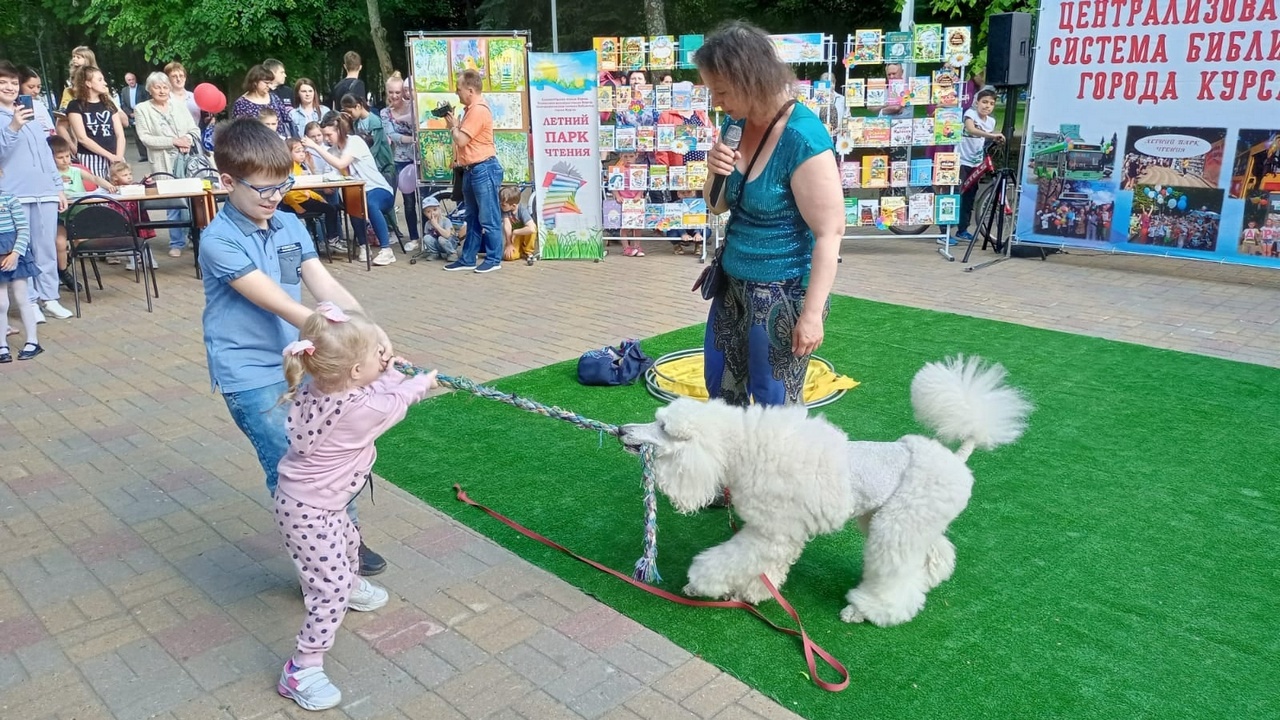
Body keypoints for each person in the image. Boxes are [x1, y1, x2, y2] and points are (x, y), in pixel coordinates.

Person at [199, 117, 393, 577]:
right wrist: (355, 346)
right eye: (261, 189)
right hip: (249, 374)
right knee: (295, 471)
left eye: (281, 185)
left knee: (326, 454)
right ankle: (323, 567)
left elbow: (323, 284)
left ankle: (345, 540)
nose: (273, 198)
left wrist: (372, 328)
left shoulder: (288, 222)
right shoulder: (218, 240)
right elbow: (289, 307)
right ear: (227, 182)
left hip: (294, 365)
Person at [272, 305, 437, 711]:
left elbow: (373, 389)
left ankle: (350, 584)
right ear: (355, 372)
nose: (383, 355)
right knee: (328, 590)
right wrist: (418, 382)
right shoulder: (363, 410)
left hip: (312, 503)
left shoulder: (321, 386)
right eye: (375, 353)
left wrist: (390, 370)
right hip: (310, 512)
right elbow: (395, 403)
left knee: (348, 541)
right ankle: (302, 667)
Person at [695, 21, 844, 407]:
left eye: (723, 91)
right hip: (733, 284)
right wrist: (714, 169)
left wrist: (811, 316)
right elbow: (718, 205)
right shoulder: (735, 124)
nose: (718, 102)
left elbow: (830, 233)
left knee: (774, 406)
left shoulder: (802, 139)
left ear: (750, 80)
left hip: (784, 291)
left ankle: (774, 471)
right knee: (720, 392)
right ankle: (730, 470)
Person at [0, 60, 73, 322]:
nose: (9, 87)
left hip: (44, 192)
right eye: (2, 83)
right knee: (23, 249)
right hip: (14, 194)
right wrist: (13, 127)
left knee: (46, 247)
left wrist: (57, 187)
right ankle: (28, 301)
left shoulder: (29, 111)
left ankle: (49, 297)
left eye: (12, 82)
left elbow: (46, 153)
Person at [303, 112, 397, 266]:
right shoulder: (333, 150)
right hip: (357, 193)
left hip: (379, 189)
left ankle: (386, 250)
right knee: (354, 203)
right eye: (324, 135)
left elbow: (340, 164)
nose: (326, 139)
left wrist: (314, 146)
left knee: (368, 202)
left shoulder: (355, 142)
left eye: (328, 135)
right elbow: (330, 173)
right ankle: (363, 245)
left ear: (339, 130)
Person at [441, 69, 503, 273]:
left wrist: (452, 127)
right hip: (471, 169)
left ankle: (494, 259)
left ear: (470, 90)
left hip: (483, 168)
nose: (457, 94)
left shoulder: (478, 110)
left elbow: (461, 140)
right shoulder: (470, 109)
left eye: (458, 90)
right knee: (472, 217)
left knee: (489, 216)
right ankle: (468, 258)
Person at [134, 71, 200, 257]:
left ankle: (195, 239)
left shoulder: (179, 105)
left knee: (194, 200)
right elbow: (145, 138)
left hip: (187, 160)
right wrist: (173, 141)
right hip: (163, 161)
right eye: (157, 87)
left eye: (165, 87)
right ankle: (176, 242)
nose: (162, 90)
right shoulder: (142, 109)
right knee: (173, 203)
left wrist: (187, 139)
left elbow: (194, 128)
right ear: (149, 89)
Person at [0, 179, 44, 361]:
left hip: (16, 254)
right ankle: (2, 344)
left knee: (22, 298)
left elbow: (23, 229)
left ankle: (33, 341)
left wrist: (15, 254)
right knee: (1, 304)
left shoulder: (9, 200)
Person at [955, 88, 1004, 241]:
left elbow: (985, 140)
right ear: (977, 103)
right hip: (961, 160)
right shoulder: (970, 114)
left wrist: (996, 140)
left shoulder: (991, 121)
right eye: (984, 102)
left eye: (991, 103)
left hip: (975, 162)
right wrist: (991, 135)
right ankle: (945, 228)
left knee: (970, 196)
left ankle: (962, 229)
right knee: (957, 193)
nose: (987, 106)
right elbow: (972, 129)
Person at [66, 65, 125, 180]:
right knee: (98, 189)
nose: (105, 83)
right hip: (91, 157)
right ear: (88, 83)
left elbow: (120, 134)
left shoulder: (108, 104)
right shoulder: (75, 105)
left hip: (116, 154)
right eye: (99, 80)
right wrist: (109, 156)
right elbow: (82, 138)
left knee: (121, 188)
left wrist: (118, 156)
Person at [381, 74, 419, 248]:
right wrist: (411, 139)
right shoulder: (385, 113)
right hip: (401, 160)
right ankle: (413, 237)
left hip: (420, 159)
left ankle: (428, 234)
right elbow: (392, 135)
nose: (395, 96)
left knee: (425, 198)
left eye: (398, 92)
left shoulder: (414, 106)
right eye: (391, 92)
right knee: (408, 201)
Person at [282, 138, 340, 248]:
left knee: (334, 207)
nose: (302, 154)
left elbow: (307, 189)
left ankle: (331, 238)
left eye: (303, 151)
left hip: (304, 198)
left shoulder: (299, 166)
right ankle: (332, 238)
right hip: (299, 202)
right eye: (297, 151)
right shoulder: (290, 168)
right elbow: (287, 191)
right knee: (331, 209)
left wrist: (318, 197)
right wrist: (296, 206)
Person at [232, 65, 294, 138]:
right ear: (255, 82)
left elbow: (287, 120)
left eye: (270, 83)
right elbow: (239, 130)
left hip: (278, 143)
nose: (269, 86)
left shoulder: (274, 98)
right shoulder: (241, 104)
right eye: (266, 83)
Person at [119, 72, 150, 162]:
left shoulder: (143, 89)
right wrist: (130, 113)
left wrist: (139, 111)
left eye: (133, 79)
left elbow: (147, 100)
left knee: (146, 134)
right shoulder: (124, 91)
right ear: (126, 81)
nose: (131, 81)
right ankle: (143, 155)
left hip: (143, 114)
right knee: (137, 136)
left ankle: (149, 153)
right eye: (129, 80)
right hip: (131, 116)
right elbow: (123, 104)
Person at [500, 186, 536, 261]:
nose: (501, 205)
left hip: (523, 233)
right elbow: (507, 226)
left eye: (503, 204)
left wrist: (515, 232)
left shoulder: (522, 210)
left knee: (533, 229)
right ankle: (520, 251)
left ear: (513, 205)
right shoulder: (505, 210)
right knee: (509, 257)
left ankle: (528, 252)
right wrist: (509, 244)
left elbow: (531, 229)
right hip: (515, 237)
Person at [419, 196, 458, 260]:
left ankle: (452, 253)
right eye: (428, 212)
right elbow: (427, 238)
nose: (432, 213)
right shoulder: (427, 224)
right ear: (425, 214)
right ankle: (435, 253)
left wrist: (436, 225)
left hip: (450, 243)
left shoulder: (446, 221)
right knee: (426, 237)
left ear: (439, 209)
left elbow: (447, 235)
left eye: (435, 210)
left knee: (441, 238)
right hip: (438, 244)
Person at [165, 62, 202, 127]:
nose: (179, 79)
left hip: (194, 135)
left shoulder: (195, 97)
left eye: (181, 76)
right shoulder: (164, 99)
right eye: (174, 76)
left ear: (185, 78)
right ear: (167, 79)